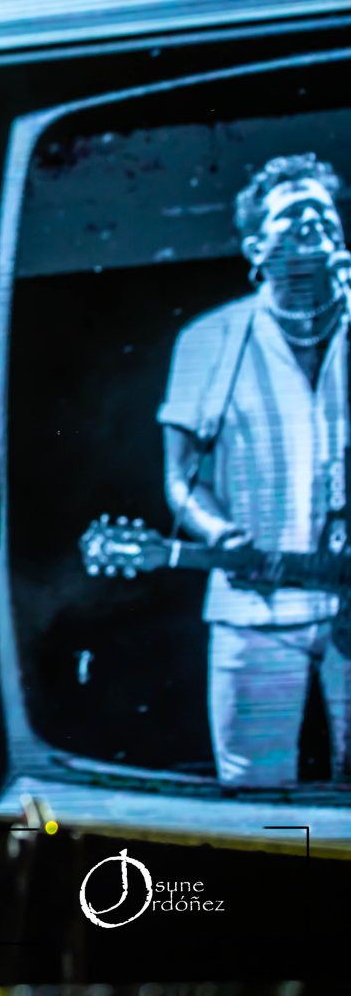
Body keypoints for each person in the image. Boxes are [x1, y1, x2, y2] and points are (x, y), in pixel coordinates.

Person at [159, 152, 351, 787]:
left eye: (322, 213)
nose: (311, 223)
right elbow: (182, 480)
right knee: (256, 796)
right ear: (255, 245)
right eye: (291, 215)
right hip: (255, 611)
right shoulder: (208, 341)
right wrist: (223, 537)